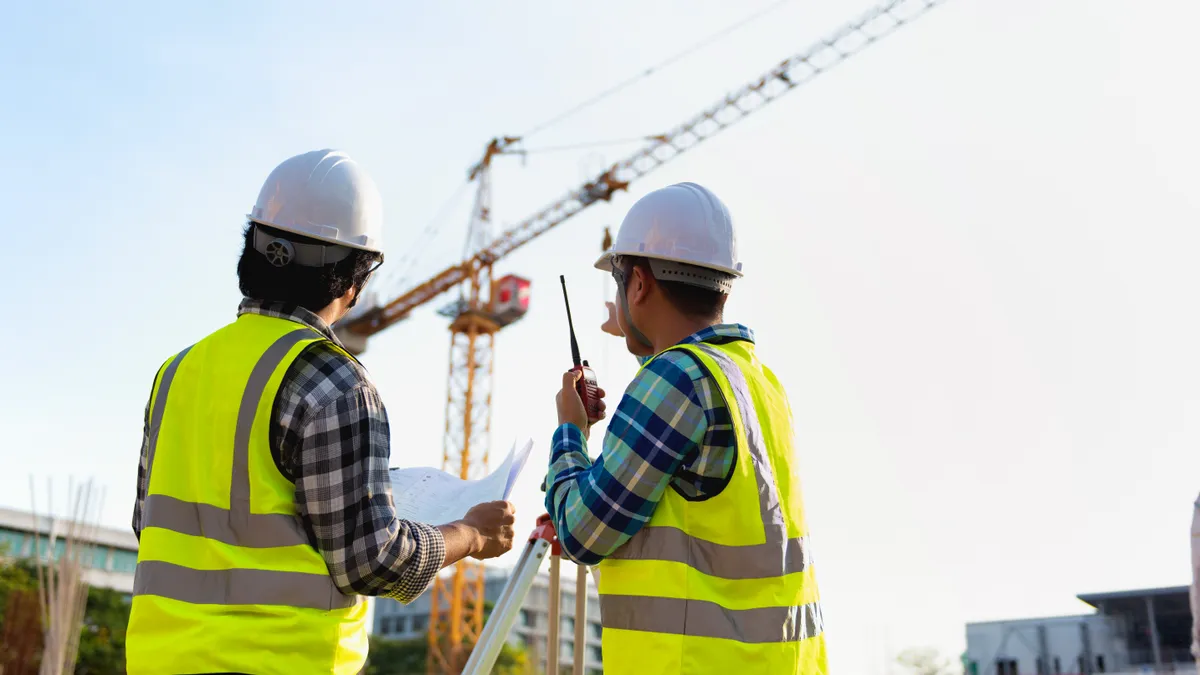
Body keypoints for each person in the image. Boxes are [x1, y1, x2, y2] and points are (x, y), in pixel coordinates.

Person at [125, 149, 516, 675]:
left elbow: (148, 524)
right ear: (354, 278)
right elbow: (372, 561)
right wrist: (470, 533)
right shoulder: (337, 381)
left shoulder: (177, 372)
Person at [546, 182, 828, 673]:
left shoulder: (674, 379)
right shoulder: (756, 379)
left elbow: (580, 533)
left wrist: (571, 432)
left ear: (637, 283)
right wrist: (643, 337)